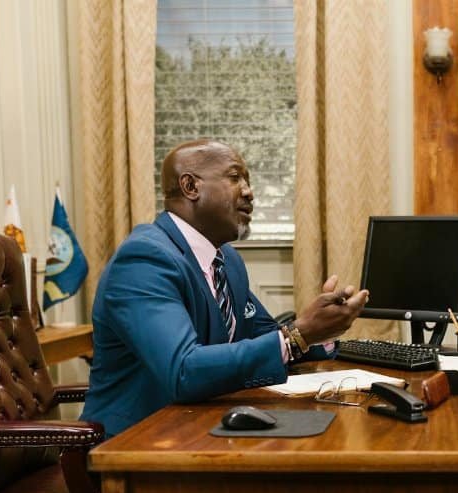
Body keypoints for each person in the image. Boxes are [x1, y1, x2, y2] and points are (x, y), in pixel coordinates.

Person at [81, 139, 368, 436]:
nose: (249, 191)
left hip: (199, 427)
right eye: (235, 177)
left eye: (247, 181)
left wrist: (322, 332)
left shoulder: (227, 260)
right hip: (136, 442)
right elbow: (183, 370)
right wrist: (298, 335)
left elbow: (264, 335)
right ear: (191, 186)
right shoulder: (144, 260)